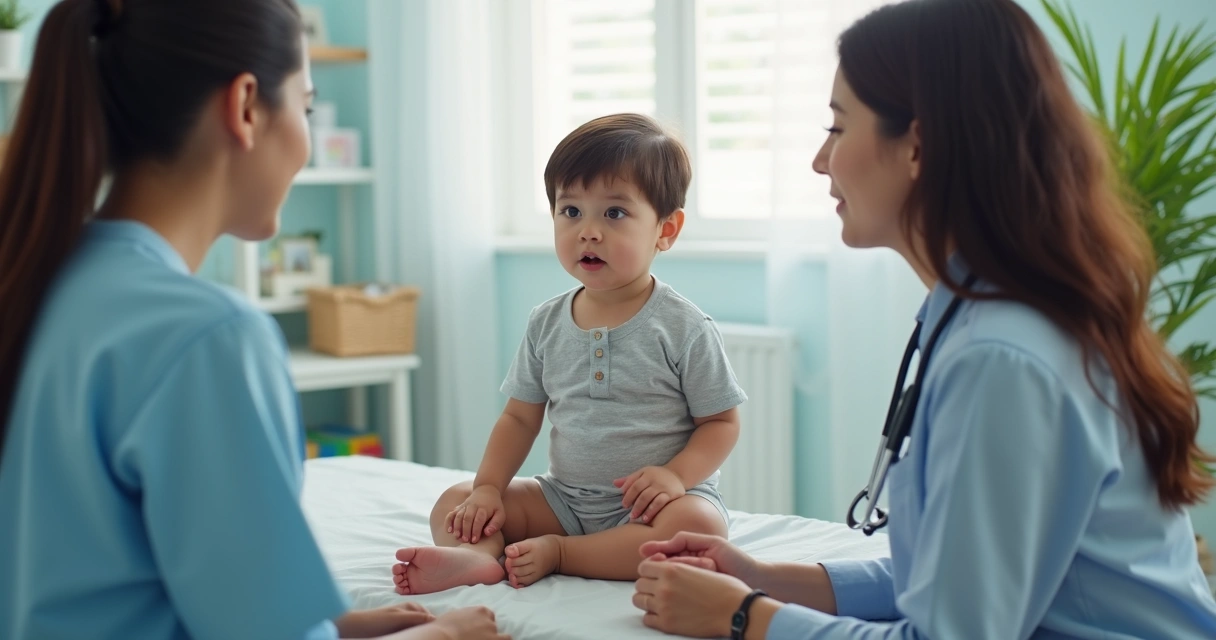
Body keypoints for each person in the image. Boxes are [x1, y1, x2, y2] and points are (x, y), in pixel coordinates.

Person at [630, 0, 1216, 638]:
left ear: (917, 145)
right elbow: (957, 578)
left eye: (837, 128)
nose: (821, 160)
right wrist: (765, 578)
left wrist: (744, 617)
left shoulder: (1002, 357)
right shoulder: (977, 314)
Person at [0, 1, 507, 639]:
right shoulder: (206, 336)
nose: (306, 140)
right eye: (306, 107)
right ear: (245, 107)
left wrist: (337, 625)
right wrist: (445, 634)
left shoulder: (37, 284)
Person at [392, 113, 747, 593]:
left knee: (699, 528)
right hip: (564, 502)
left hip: (655, 507)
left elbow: (721, 423)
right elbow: (519, 419)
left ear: (666, 229)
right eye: (571, 211)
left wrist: (675, 477)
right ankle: (476, 558)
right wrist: (488, 488)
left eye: (614, 213)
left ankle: (561, 554)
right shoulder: (546, 322)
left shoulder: (683, 326)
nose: (588, 231)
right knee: (455, 502)